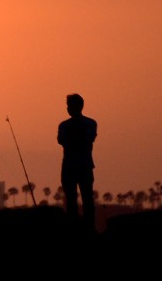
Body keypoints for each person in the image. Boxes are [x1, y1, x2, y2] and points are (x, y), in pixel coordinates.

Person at [57, 93, 97, 230]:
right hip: (76, 167)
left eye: (69, 105)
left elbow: (66, 140)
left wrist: (72, 139)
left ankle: (87, 227)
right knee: (75, 200)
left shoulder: (67, 126)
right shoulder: (89, 124)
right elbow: (63, 140)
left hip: (77, 167)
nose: (68, 108)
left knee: (83, 199)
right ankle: (77, 227)